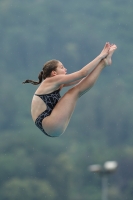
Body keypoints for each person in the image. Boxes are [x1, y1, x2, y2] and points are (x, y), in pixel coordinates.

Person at [23, 42, 117, 137]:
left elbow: (82, 78)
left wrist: (102, 61)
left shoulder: (54, 84)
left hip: (49, 126)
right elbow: (83, 73)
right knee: (74, 92)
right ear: (54, 73)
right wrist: (101, 55)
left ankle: (104, 63)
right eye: (62, 67)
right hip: (49, 123)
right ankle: (103, 63)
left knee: (77, 90)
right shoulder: (51, 81)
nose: (65, 69)